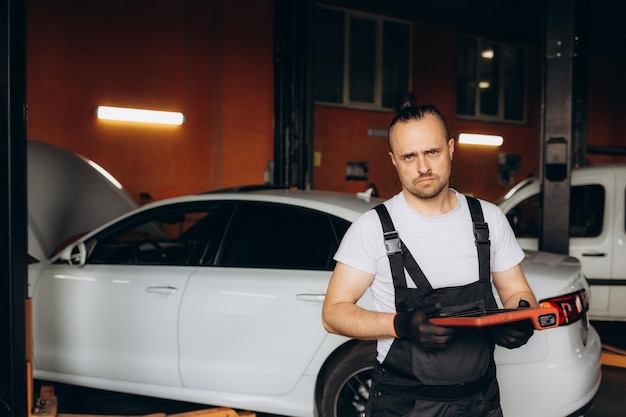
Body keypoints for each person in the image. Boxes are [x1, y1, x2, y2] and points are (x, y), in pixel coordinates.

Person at [321, 103, 537, 417]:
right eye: (409, 156)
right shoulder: (372, 229)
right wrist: (400, 324)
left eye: (432, 152)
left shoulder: (488, 219)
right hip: (404, 404)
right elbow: (333, 314)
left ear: (451, 148)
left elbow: (517, 291)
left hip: (480, 401)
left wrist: (521, 317)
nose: (423, 167)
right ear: (394, 161)